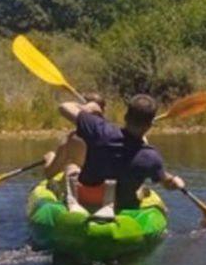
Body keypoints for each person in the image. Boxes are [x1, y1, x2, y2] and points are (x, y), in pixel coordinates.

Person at [43, 92, 185, 216]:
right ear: (149, 126)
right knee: (141, 188)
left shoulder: (99, 130)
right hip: (121, 206)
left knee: (72, 167)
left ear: (126, 116)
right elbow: (167, 184)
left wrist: (89, 107)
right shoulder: (151, 158)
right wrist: (175, 181)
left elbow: (64, 107)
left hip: (87, 201)